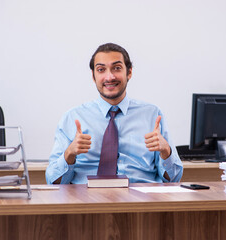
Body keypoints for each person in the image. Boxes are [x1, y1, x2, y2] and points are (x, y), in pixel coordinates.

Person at [45, 43, 183, 184]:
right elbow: (53, 181)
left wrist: (166, 151)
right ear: (93, 76)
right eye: (101, 70)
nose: (109, 77)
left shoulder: (152, 115)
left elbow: (174, 179)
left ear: (129, 72)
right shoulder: (73, 117)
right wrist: (69, 153)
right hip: (88, 200)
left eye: (117, 68)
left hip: (140, 199)